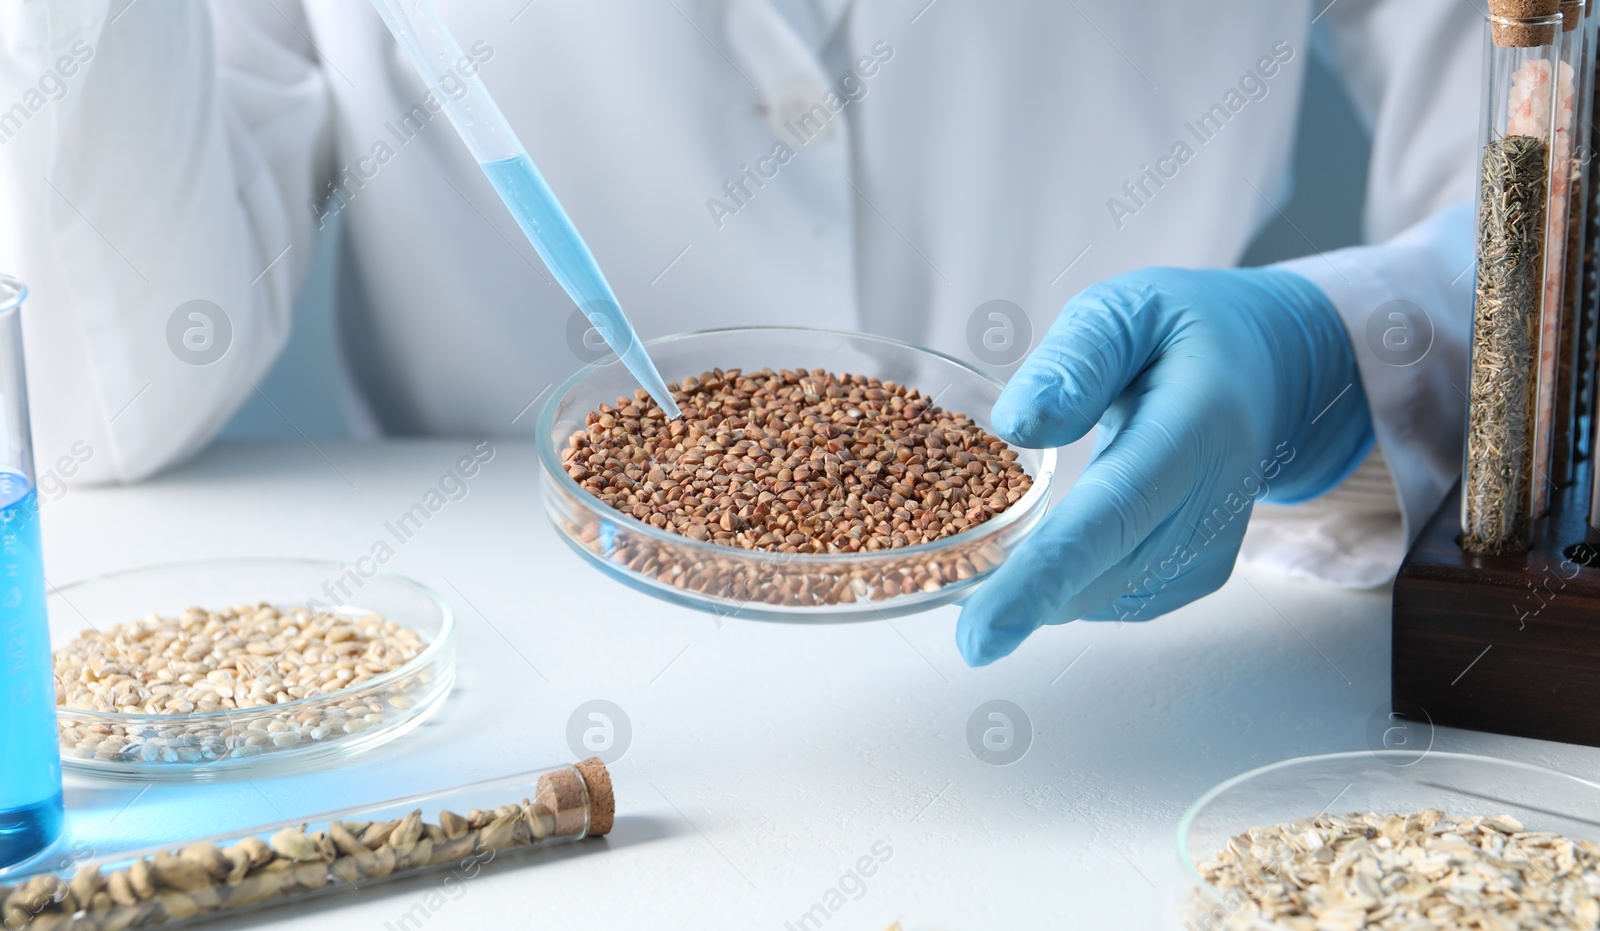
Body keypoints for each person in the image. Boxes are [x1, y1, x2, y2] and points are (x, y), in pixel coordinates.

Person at [0, 1, 1477, 662]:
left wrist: (1354, 349)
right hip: (480, 687)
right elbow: (90, 400)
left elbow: (1541, 164)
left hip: (1143, 660)